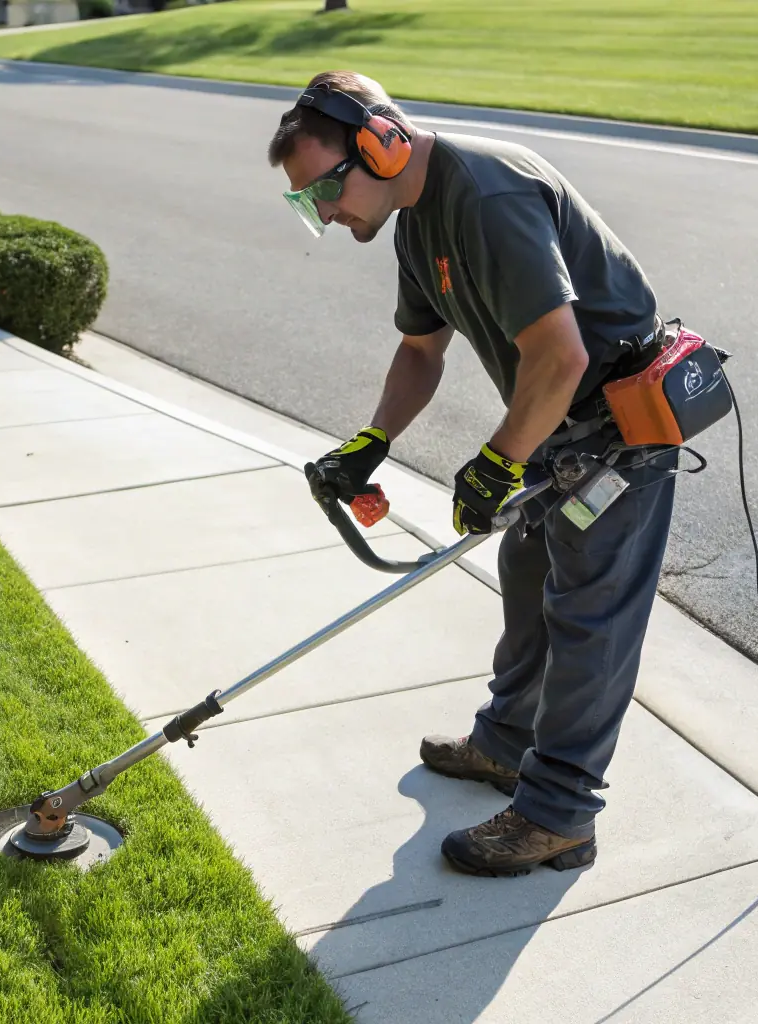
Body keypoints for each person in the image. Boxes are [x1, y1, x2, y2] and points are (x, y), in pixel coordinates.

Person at [269, 71, 679, 877]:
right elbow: (420, 350)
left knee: (588, 614)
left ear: (380, 144)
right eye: (303, 202)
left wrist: (499, 460)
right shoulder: (415, 226)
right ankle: (504, 744)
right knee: (526, 569)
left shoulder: (486, 198)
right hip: (558, 426)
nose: (322, 211)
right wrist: (370, 442)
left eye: (324, 187)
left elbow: (559, 355)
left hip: (617, 431)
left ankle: (559, 815)